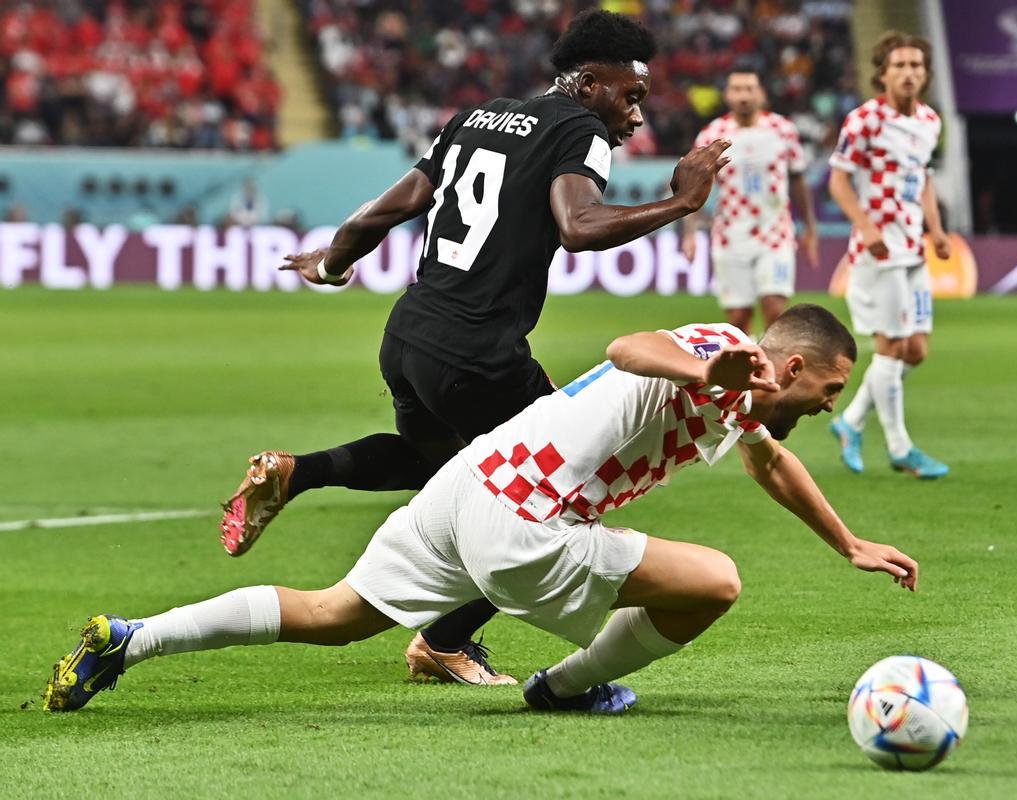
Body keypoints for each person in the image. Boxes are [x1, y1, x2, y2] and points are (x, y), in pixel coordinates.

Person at [43, 304, 919, 715]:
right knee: (716, 583)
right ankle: (566, 689)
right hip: (529, 517)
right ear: (795, 367)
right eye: (832, 390)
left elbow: (772, 466)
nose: (829, 405)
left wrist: (847, 542)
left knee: (337, 614)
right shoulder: (727, 351)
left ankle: (130, 638)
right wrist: (705, 370)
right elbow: (629, 347)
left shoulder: (748, 403)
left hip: (473, 481)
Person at [218, 10, 733, 685]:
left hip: (407, 338)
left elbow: (391, 207)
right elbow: (577, 226)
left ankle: (297, 472)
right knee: (539, 497)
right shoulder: (580, 129)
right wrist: (681, 204)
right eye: (629, 96)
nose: (635, 117)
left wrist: (333, 262)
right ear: (586, 82)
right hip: (478, 355)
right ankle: (443, 640)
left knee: (444, 469)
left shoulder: (478, 116)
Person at [826, 31, 951, 480]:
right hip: (878, 250)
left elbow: (926, 179)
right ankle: (901, 448)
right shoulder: (865, 120)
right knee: (892, 345)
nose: (909, 73)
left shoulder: (930, 121)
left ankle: (851, 421)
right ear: (882, 73)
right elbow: (838, 181)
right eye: (899, 65)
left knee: (914, 350)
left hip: (914, 246)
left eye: (916, 66)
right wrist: (867, 226)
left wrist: (936, 230)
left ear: (926, 74)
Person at [680, 67, 820, 335]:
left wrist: (810, 227)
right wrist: (690, 233)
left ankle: (772, 374)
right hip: (731, 236)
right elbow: (695, 186)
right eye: (737, 89)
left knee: (775, 310)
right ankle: (745, 373)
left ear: (761, 94)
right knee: (738, 319)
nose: (743, 95)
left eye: (749, 89)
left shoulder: (783, 130)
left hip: (775, 234)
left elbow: (798, 179)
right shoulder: (713, 134)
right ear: (727, 95)